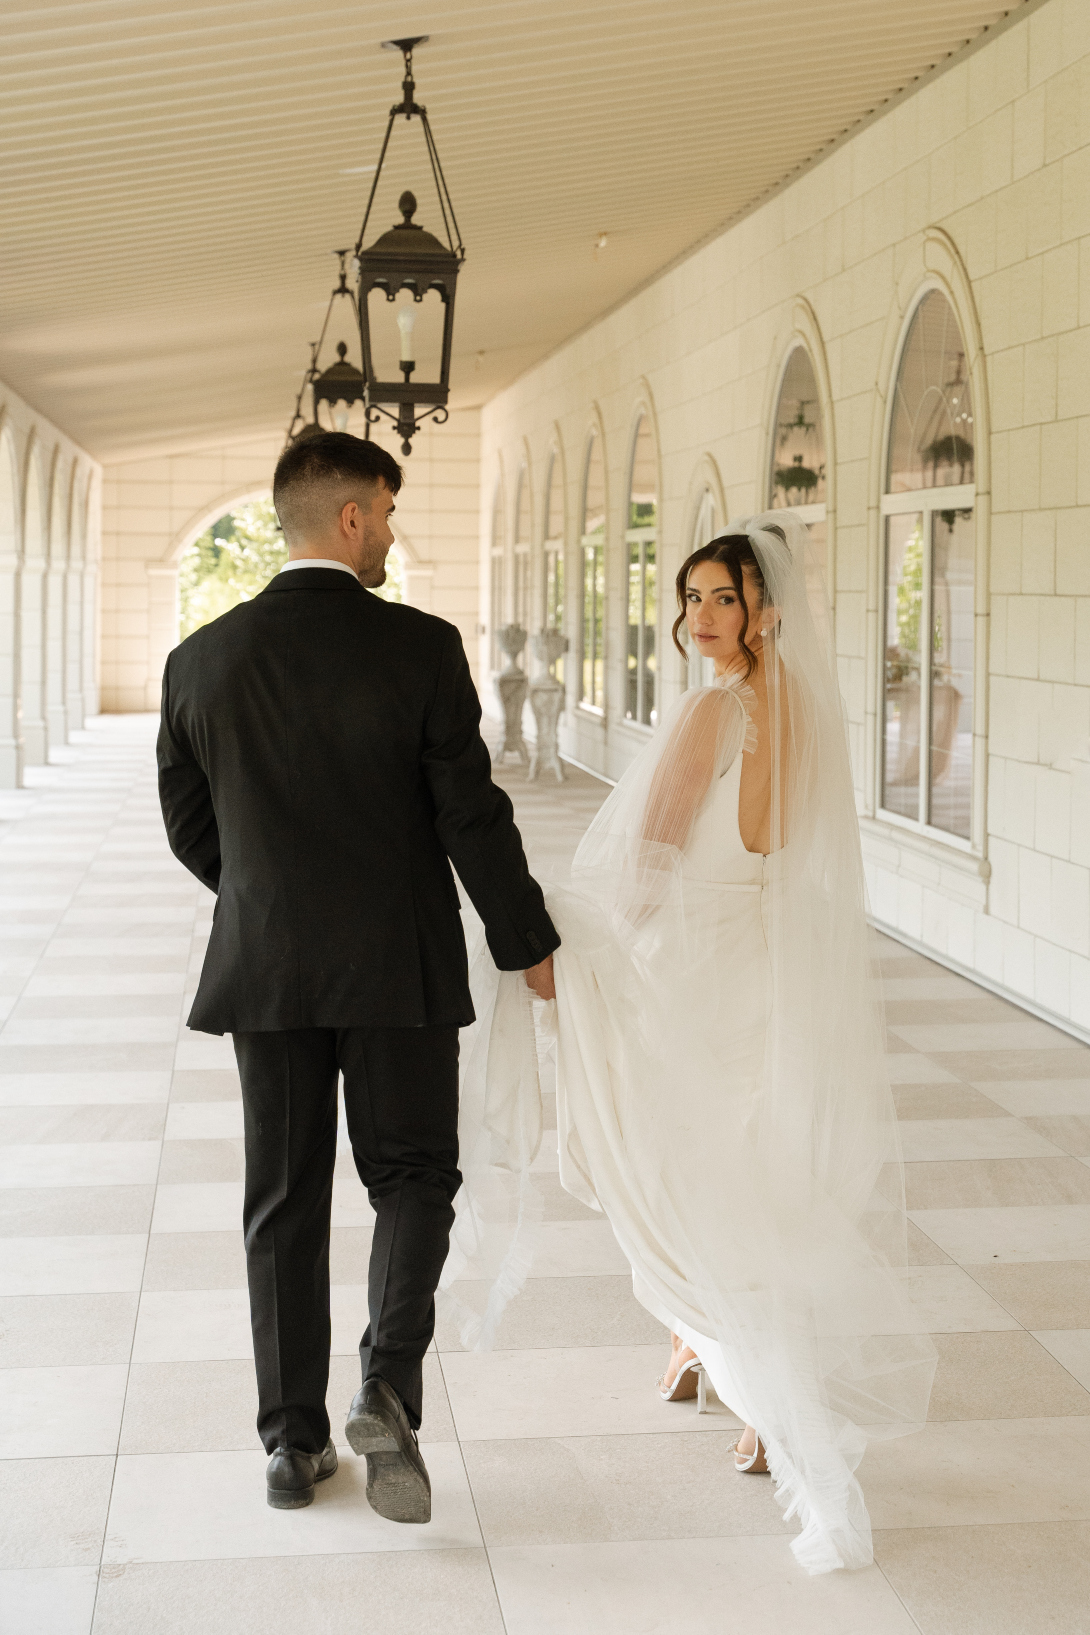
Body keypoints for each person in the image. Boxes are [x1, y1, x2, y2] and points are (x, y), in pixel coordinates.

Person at [157, 431, 558, 1521]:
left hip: (267, 970)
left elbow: (192, 830)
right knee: (414, 1175)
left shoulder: (199, 661)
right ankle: (385, 1379)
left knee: (283, 1199)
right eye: (382, 512)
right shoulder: (422, 648)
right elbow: (468, 812)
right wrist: (525, 938)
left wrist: (269, 900)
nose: (388, 531)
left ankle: (291, 1450)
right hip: (398, 967)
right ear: (347, 519)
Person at [537, 514, 936, 1573]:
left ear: (764, 609)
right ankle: (699, 1349)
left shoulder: (714, 714)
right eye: (692, 598)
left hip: (697, 962)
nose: (698, 619)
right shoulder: (805, 706)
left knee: (678, 1170)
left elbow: (651, 856)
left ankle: (745, 1378)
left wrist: (593, 956)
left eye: (721, 598)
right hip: (768, 959)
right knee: (758, 1171)